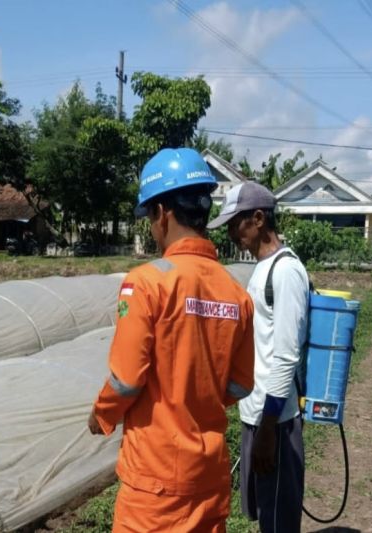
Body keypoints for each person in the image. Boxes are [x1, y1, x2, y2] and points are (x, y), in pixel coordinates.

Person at [88, 147, 255, 532]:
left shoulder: (147, 282)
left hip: (155, 483)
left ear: (161, 213)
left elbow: (126, 380)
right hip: (208, 477)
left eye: (149, 216)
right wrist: (197, 394)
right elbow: (240, 384)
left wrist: (101, 415)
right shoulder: (234, 291)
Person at [207, 181, 310, 533]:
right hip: (258, 418)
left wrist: (268, 428)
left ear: (258, 218)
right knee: (265, 513)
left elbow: (285, 356)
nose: (233, 234)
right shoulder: (261, 269)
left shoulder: (286, 272)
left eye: (236, 224)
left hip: (276, 422)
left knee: (278, 522)